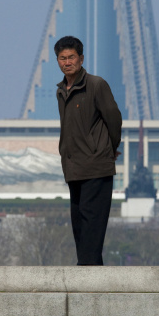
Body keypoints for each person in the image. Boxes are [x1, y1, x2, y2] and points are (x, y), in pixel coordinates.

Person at [55, 35, 122, 265]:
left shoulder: (96, 85)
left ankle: (86, 272)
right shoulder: (61, 91)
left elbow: (114, 119)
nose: (67, 62)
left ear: (81, 59)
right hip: (74, 167)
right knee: (79, 224)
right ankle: (90, 271)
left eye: (71, 57)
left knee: (93, 223)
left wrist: (110, 149)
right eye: (62, 58)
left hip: (96, 166)